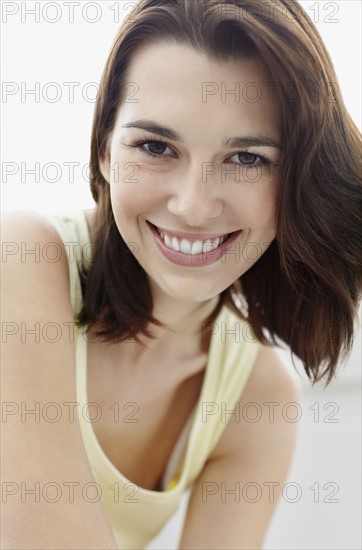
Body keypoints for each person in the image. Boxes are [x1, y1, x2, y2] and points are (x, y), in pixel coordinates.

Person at [2, 0, 361, 548]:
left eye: (247, 158)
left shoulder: (255, 397)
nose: (193, 206)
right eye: (154, 146)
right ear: (103, 149)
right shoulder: (21, 260)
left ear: (296, 180)